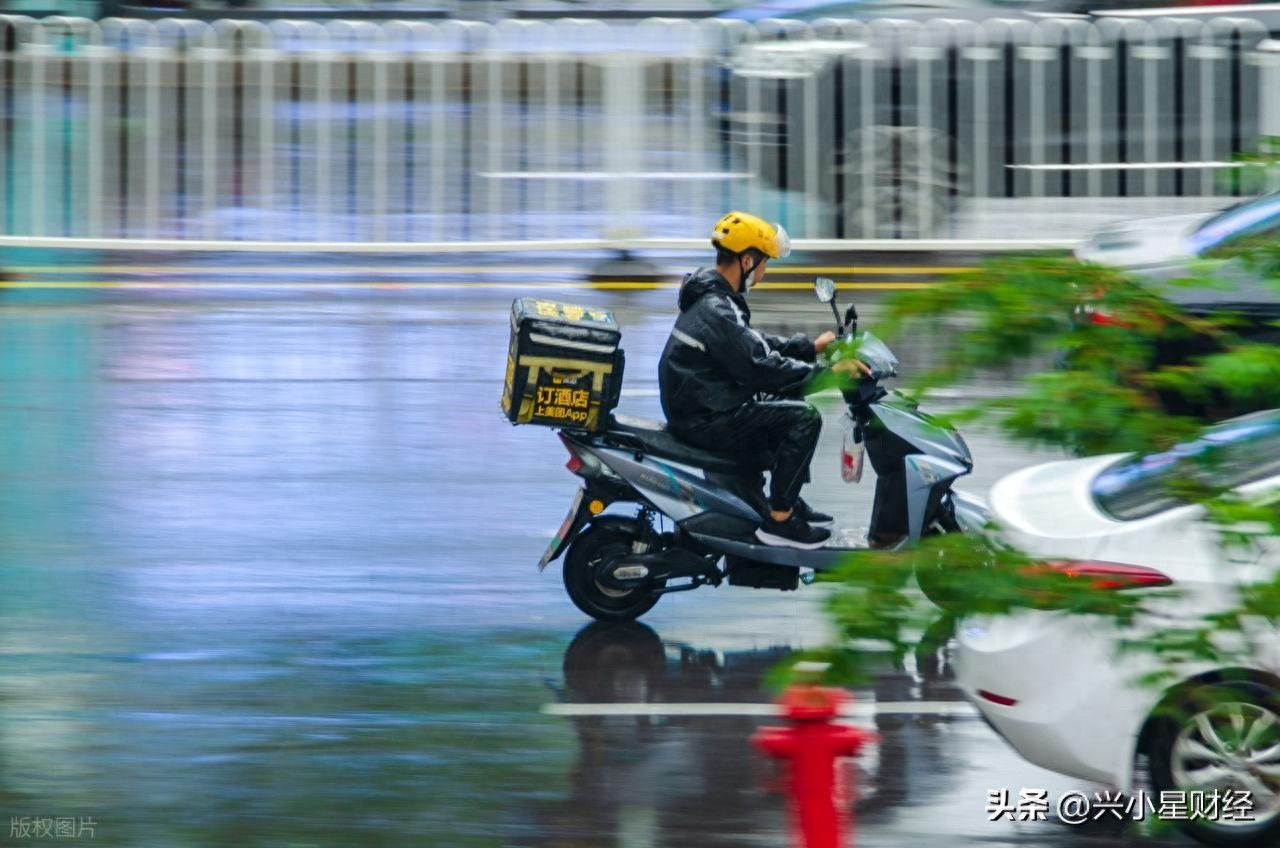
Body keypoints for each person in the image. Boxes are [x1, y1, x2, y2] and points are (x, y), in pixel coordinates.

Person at [658, 211, 868, 549]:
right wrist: (828, 374)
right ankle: (780, 521)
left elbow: (752, 345)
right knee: (804, 417)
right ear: (746, 261)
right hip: (704, 418)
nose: (765, 272)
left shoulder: (716, 298)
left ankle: (785, 500)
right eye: (764, 264)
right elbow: (762, 367)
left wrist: (809, 347)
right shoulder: (717, 309)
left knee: (783, 406)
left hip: (705, 404)